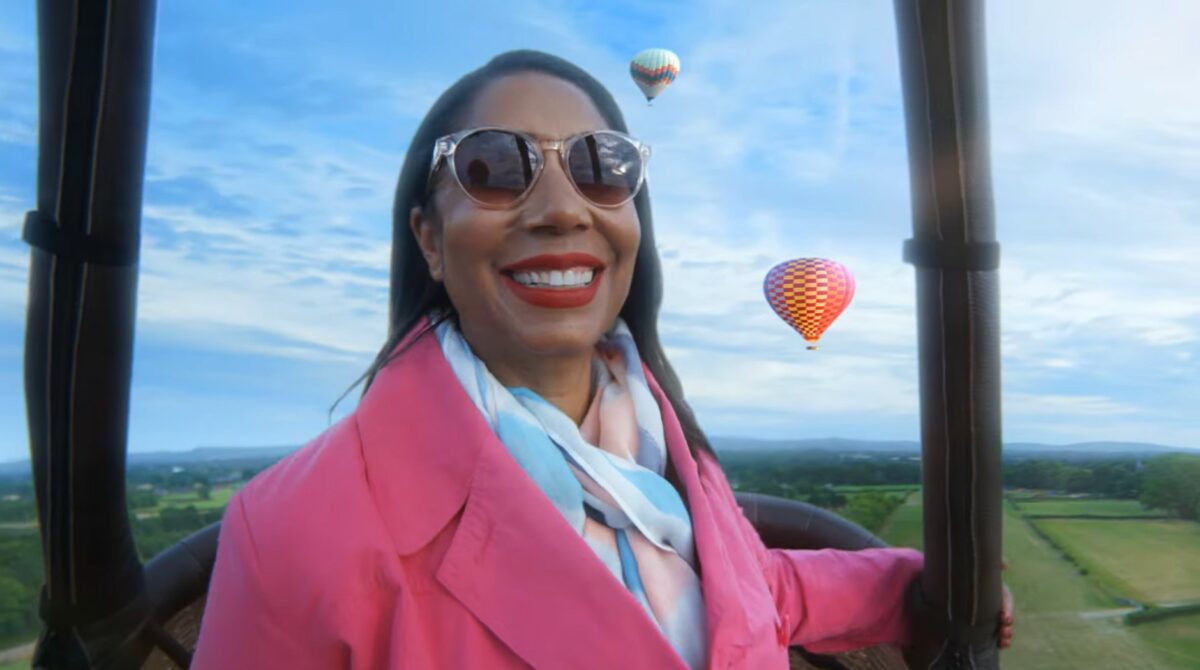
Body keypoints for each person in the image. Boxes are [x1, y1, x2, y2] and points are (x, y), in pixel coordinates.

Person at [192, 49, 1011, 669]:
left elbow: (748, 595)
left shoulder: (664, 442)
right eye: (493, 167)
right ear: (429, 239)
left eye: (601, 166)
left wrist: (917, 584)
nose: (561, 208)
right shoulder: (291, 533)